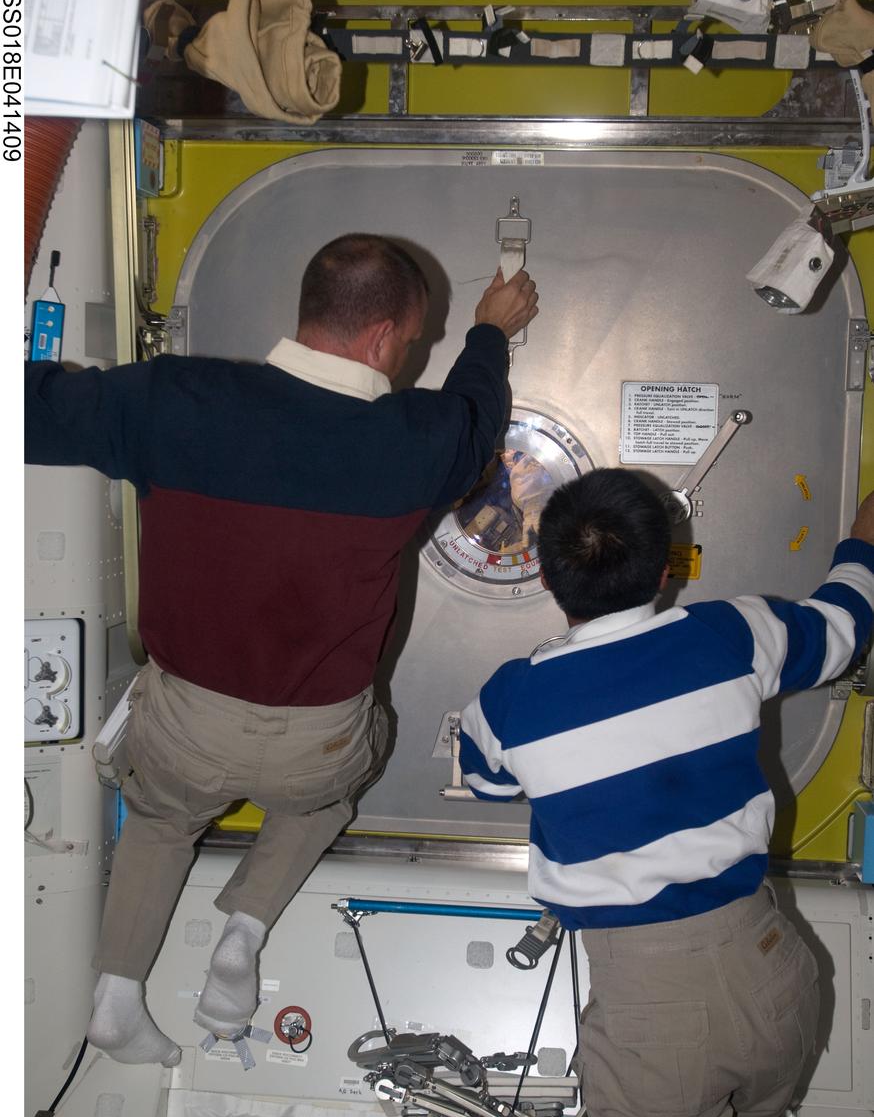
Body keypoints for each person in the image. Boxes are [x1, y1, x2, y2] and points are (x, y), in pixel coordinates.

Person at [25, 233, 538, 1067]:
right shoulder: (419, 440)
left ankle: (117, 997)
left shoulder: (170, 398)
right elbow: (478, 411)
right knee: (327, 799)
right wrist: (489, 330)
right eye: (410, 343)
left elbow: (29, 408)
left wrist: (80, 390)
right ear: (383, 339)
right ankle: (243, 930)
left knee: (160, 819)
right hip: (319, 742)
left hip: (187, 727)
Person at [459, 467, 874, 1117]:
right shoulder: (733, 632)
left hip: (652, 1008)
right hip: (770, 969)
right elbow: (844, 624)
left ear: (547, 578)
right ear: (663, 569)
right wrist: (865, 532)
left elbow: (486, 780)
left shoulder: (510, 698)